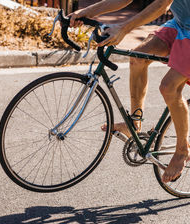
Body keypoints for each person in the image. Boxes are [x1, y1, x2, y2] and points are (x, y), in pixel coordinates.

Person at [69, 0, 190, 183]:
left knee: (169, 87)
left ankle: (182, 149)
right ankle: (134, 122)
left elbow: (162, 5)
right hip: (181, 24)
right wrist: (86, 12)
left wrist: (124, 28)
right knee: (137, 58)